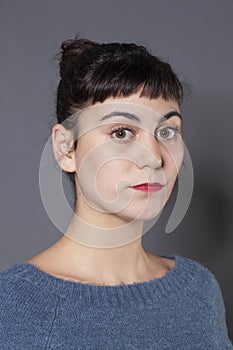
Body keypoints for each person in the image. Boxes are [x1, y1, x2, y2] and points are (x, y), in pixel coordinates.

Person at [0, 35, 232, 349]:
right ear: (66, 148)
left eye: (167, 131)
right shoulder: (13, 306)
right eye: (121, 132)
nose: (153, 156)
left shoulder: (198, 292)